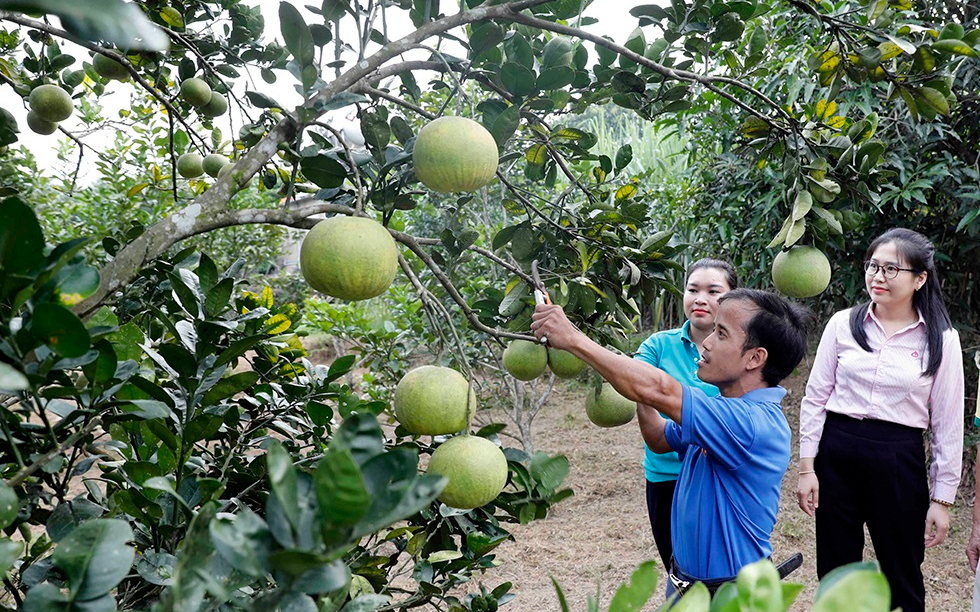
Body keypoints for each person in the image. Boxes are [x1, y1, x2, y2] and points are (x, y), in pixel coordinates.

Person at [531, 287, 810, 595]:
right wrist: (640, 385)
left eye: (721, 333)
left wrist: (572, 338)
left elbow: (663, 390)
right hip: (685, 586)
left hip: (729, 597)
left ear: (755, 358)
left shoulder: (752, 424)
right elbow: (659, 438)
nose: (706, 342)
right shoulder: (722, 411)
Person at [796, 228, 963, 612]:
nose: (878, 276)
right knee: (836, 569)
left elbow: (948, 424)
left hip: (897, 459)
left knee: (901, 571)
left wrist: (943, 499)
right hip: (836, 453)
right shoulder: (843, 324)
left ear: (919, 279)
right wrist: (807, 467)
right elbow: (815, 397)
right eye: (873, 266)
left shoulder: (941, 339)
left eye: (891, 269)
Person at [632, 258, 738, 570]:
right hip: (667, 476)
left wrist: (659, 397)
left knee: (719, 571)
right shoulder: (659, 345)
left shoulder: (739, 351)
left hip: (717, 476)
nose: (700, 299)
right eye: (692, 289)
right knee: (678, 571)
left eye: (713, 291)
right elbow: (636, 377)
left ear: (732, 298)